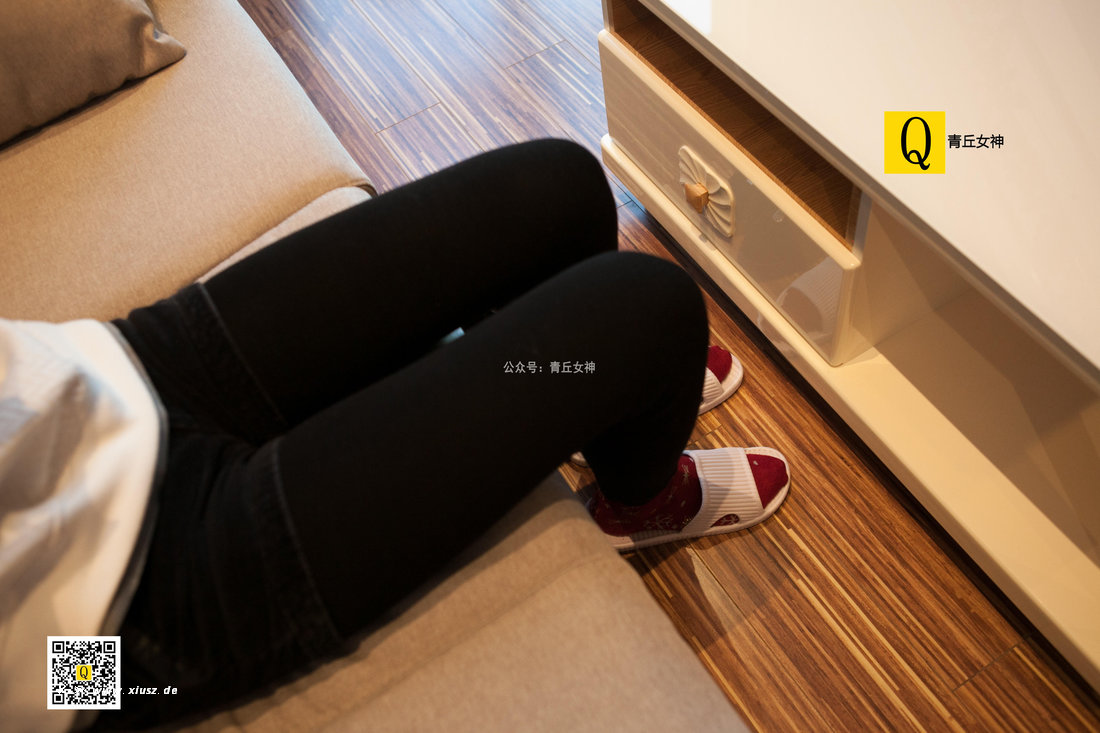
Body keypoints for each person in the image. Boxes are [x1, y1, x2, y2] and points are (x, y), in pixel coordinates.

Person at [0, 139, 789, 730]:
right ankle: (640, 497)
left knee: (563, 187)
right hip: (125, 619)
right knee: (652, 313)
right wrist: (101, 684)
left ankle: (602, 403)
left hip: (104, 374)